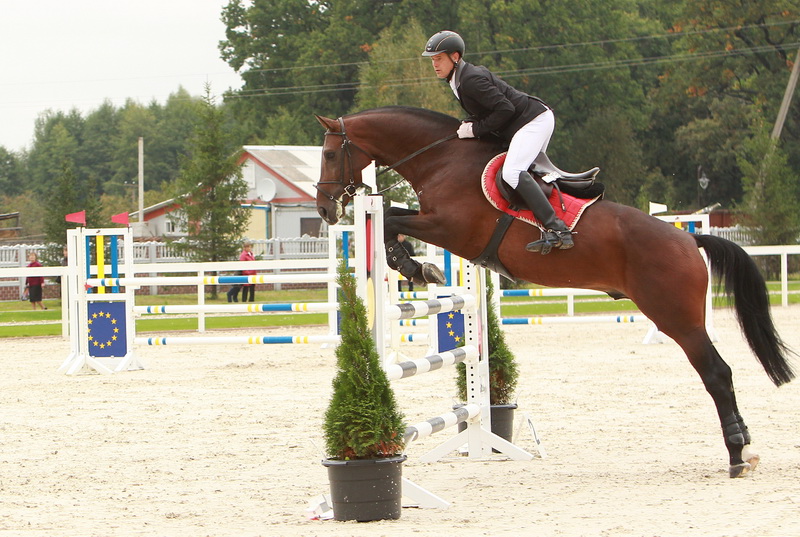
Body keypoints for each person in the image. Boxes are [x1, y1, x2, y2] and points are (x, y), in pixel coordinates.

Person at [422, 30, 574, 255]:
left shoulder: (470, 79)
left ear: (455, 57)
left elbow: (505, 109)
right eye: (433, 60)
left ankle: (558, 229)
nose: (435, 64)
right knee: (523, 174)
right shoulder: (459, 79)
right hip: (527, 121)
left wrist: (475, 129)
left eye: (439, 58)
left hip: (533, 121)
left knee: (513, 173)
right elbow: (488, 110)